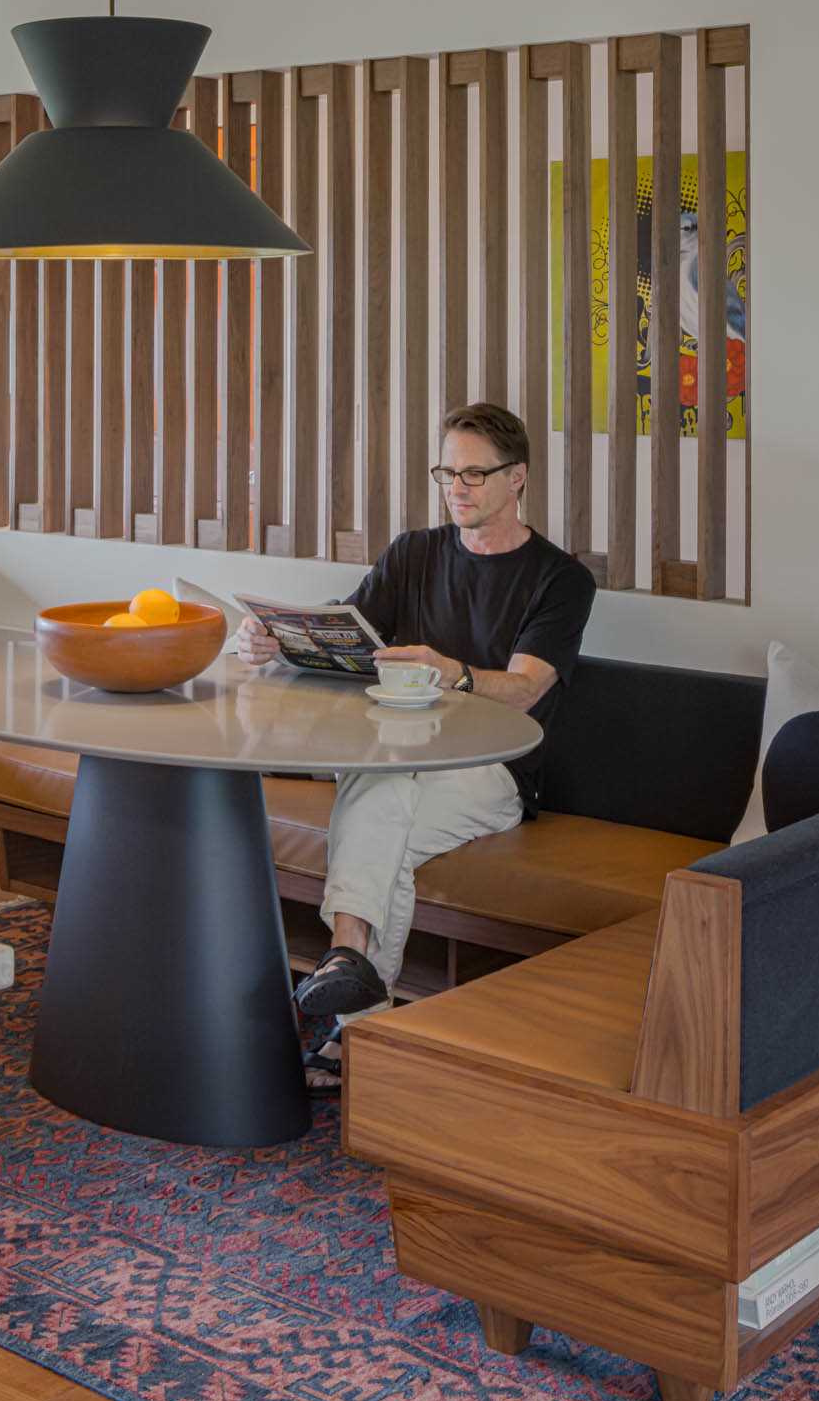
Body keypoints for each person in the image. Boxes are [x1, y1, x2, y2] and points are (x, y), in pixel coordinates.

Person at [237, 402, 597, 1088]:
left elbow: (524, 690)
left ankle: (348, 985)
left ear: (517, 478)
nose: (456, 487)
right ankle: (357, 1019)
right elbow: (341, 641)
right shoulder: (412, 553)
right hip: (395, 757)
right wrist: (271, 643)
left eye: (474, 474)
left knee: (376, 806)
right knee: (386, 818)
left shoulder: (560, 579)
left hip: (494, 770)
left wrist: (450, 671)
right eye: (445, 472)